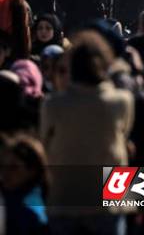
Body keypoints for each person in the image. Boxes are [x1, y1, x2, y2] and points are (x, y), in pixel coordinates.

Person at [41, 31, 134, 235]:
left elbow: (44, 144)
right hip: (110, 196)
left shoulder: (53, 105)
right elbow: (124, 134)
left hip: (64, 196)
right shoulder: (122, 101)